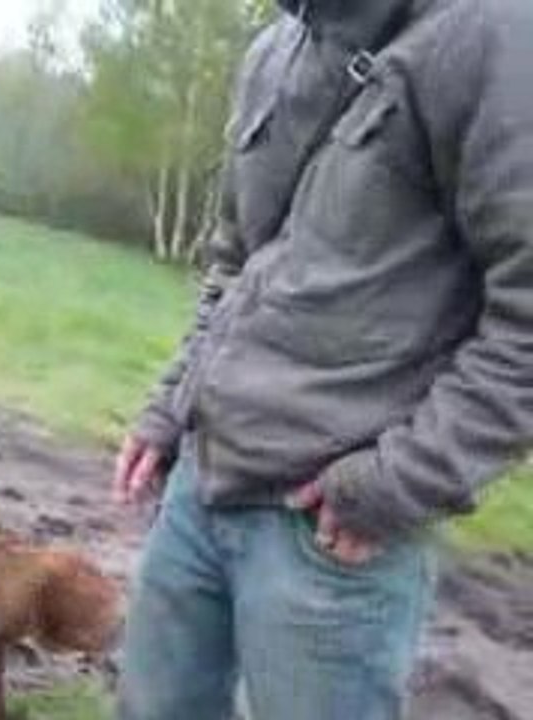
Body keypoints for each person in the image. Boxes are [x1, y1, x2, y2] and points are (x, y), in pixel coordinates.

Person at [113, 1, 533, 719]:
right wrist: (171, 405)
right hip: (198, 480)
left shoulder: (493, 34)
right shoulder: (275, 49)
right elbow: (235, 259)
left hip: (329, 527)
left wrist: (403, 480)